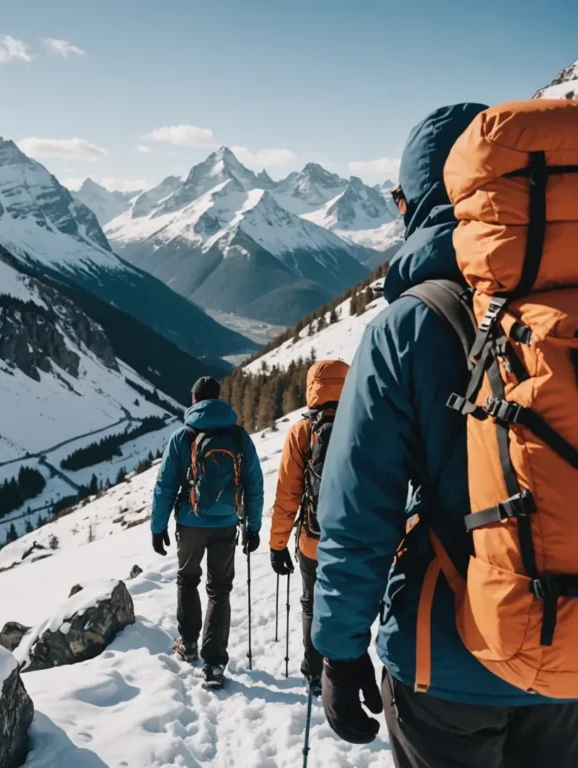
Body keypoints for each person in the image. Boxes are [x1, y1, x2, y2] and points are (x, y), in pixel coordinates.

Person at [311, 103, 578, 766]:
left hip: (446, 660)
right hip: (573, 652)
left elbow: (359, 512)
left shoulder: (409, 325)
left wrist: (340, 652)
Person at [151, 376, 263, 688]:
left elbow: (165, 486)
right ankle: (214, 663)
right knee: (220, 589)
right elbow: (254, 483)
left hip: (190, 522)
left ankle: (187, 643)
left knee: (188, 579)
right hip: (226, 523)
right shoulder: (239, 437)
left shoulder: (182, 437)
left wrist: (157, 527)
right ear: (218, 398)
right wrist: (253, 526)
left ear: (194, 399)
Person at [269, 359, 349, 695]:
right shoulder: (360, 422)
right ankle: (344, 670)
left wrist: (277, 545)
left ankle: (315, 672)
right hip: (353, 540)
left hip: (312, 541)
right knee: (347, 602)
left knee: (311, 604)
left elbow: (288, 494)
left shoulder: (303, 431)